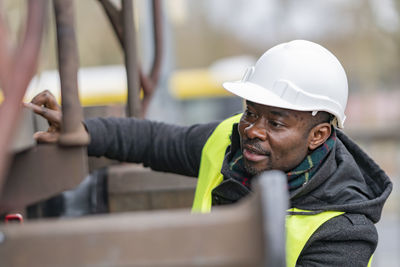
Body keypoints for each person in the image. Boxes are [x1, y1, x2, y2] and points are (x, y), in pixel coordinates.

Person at [27, 40, 392, 266]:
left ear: (319, 135)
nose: (252, 130)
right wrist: (84, 130)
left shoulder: (343, 232)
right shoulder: (226, 139)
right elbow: (155, 141)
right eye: (251, 112)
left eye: (276, 123)